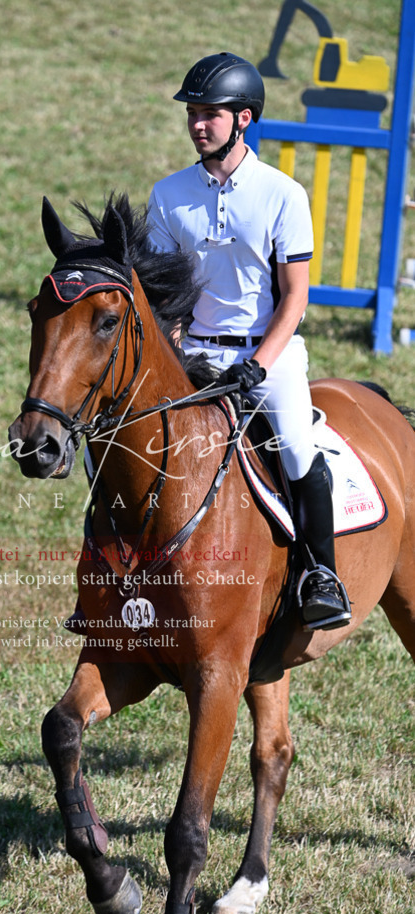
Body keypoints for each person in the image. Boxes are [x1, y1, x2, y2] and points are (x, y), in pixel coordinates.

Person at [146, 51, 351, 630]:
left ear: (243, 118)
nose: (196, 124)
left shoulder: (284, 194)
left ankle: (321, 575)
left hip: (270, 351)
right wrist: (178, 349)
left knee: (294, 446)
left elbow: (295, 297)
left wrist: (259, 366)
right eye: (192, 114)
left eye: (209, 114)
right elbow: (168, 296)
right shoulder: (168, 195)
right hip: (197, 352)